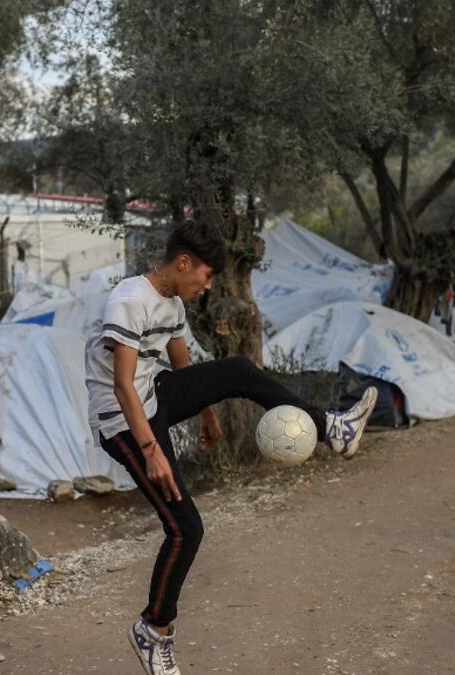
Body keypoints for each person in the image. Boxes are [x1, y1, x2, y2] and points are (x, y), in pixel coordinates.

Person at [86, 220, 378, 675]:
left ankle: (332, 429)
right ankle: (153, 629)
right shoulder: (128, 301)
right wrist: (152, 450)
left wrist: (205, 412)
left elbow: (179, 360)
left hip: (154, 396)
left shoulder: (172, 301)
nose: (207, 285)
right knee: (185, 529)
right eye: (205, 274)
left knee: (238, 368)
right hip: (122, 421)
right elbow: (122, 384)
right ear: (183, 261)